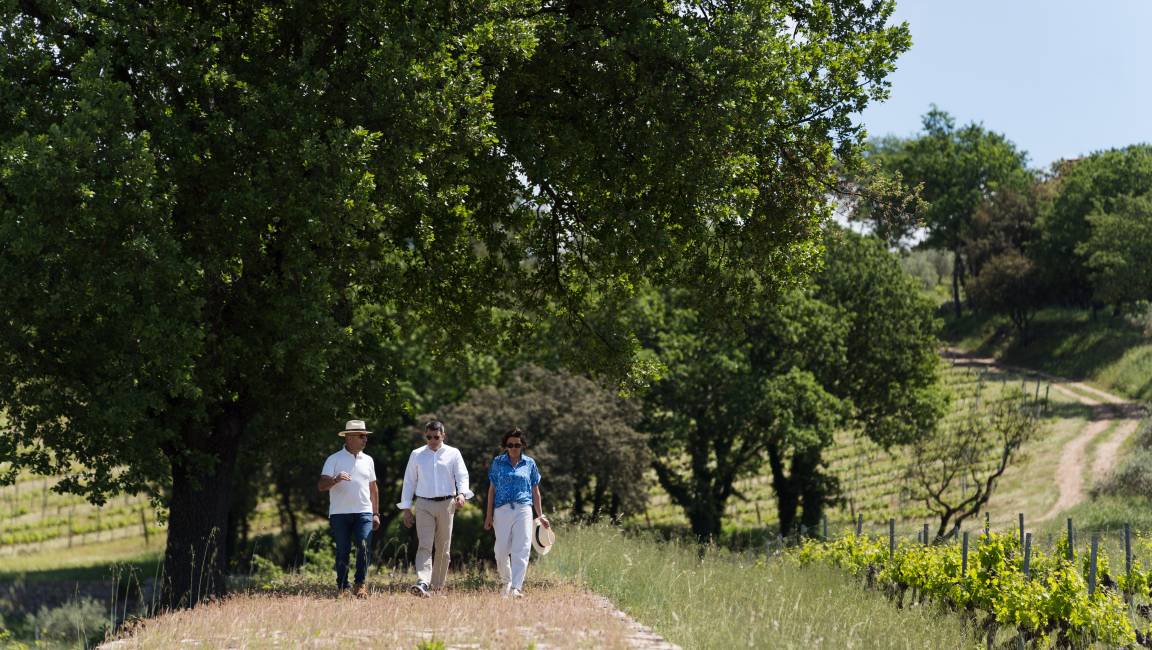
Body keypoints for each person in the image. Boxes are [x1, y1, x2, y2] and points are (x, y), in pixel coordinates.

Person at [397, 419, 473, 597]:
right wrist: (406, 509)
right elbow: (409, 482)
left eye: (436, 437)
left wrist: (462, 494)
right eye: (429, 437)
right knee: (424, 544)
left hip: (447, 504)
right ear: (425, 436)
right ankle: (423, 581)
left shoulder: (453, 453)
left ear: (443, 436)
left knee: (443, 547)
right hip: (423, 503)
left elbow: (462, 475)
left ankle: (437, 587)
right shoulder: (416, 454)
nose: (432, 440)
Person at [484, 428, 550, 598]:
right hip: (502, 509)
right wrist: (488, 515)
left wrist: (540, 515)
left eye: (517, 445)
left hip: (523, 508)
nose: (513, 447)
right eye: (510, 444)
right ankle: (506, 581)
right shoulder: (498, 462)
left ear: (522, 446)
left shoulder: (530, 463)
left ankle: (516, 588)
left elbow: (536, 491)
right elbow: (492, 490)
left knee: (522, 547)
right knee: (501, 550)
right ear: (505, 445)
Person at [317, 419, 380, 598]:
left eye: (365, 436)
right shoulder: (333, 459)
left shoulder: (368, 460)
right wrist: (335, 479)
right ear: (349, 438)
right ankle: (343, 587)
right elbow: (321, 485)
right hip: (339, 514)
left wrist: (375, 513)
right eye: (361, 436)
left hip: (364, 512)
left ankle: (360, 584)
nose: (365, 440)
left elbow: (373, 488)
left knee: (364, 546)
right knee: (342, 550)